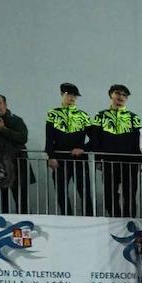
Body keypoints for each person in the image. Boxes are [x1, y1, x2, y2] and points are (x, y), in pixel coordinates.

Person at [90, 84, 142, 217]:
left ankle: (129, 221)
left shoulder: (134, 117)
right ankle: (115, 219)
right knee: (109, 193)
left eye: (124, 95)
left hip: (130, 163)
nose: (121, 97)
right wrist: (98, 160)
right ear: (111, 95)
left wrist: (139, 162)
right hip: (109, 161)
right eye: (118, 93)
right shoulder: (100, 116)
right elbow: (95, 139)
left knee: (130, 193)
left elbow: (139, 141)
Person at [45, 82, 93, 216]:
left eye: (74, 96)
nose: (72, 98)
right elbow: (49, 138)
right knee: (61, 190)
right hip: (60, 158)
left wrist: (83, 148)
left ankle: (89, 217)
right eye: (69, 95)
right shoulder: (53, 114)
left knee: (84, 191)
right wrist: (51, 156)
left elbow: (95, 138)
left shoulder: (83, 115)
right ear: (62, 94)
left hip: (79, 159)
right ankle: (67, 216)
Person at [0, 93, 30, 214]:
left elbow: (23, 138)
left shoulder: (15, 120)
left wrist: (2, 128)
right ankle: (0, 226)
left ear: (5, 105)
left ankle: (24, 224)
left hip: (17, 165)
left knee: (21, 198)